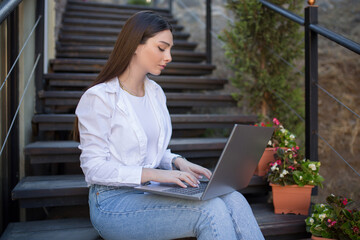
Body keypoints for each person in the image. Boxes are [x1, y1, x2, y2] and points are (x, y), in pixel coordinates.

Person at [74, 10, 264, 240]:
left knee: (233, 198)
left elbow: (148, 150)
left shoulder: (155, 92)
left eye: (170, 49)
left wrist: (177, 161)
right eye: (161, 48)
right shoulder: (100, 97)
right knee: (210, 211)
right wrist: (156, 174)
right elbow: (93, 169)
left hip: (150, 191)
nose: (169, 57)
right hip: (112, 202)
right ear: (135, 45)